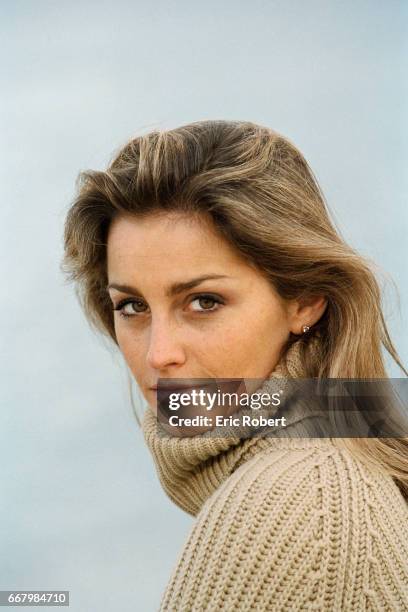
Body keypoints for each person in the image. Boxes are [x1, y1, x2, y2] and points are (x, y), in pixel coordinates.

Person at [62, 120, 408, 611]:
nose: (160, 353)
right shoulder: (346, 445)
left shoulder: (294, 499)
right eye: (132, 307)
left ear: (305, 300)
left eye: (203, 301)